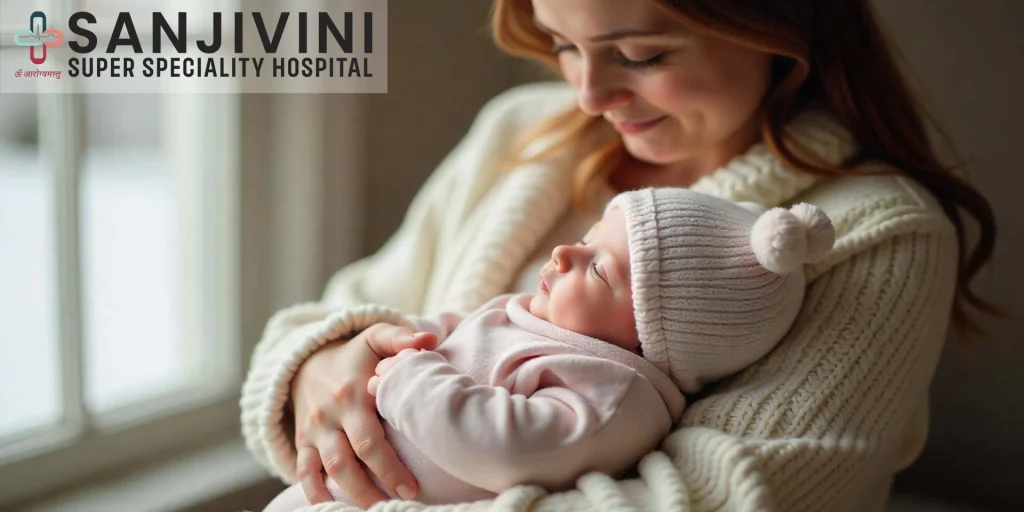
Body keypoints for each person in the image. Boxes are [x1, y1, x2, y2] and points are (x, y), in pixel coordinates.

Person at [240, 0, 1000, 510]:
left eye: (638, 54)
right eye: (563, 44)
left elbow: (723, 496)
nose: (590, 93)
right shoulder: (520, 133)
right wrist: (321, 368)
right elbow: (331, 311)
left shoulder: (880, 232)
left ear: (775, 24)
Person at [259, 189, 837, 511]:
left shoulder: (613, 393)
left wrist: (409, 376)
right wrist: (370, 343)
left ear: (648, 337)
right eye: (585, 240)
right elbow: (443, 330)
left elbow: (506, 447)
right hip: (337, 481)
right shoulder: (531, 314)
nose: (563, 254)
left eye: (599, 268)